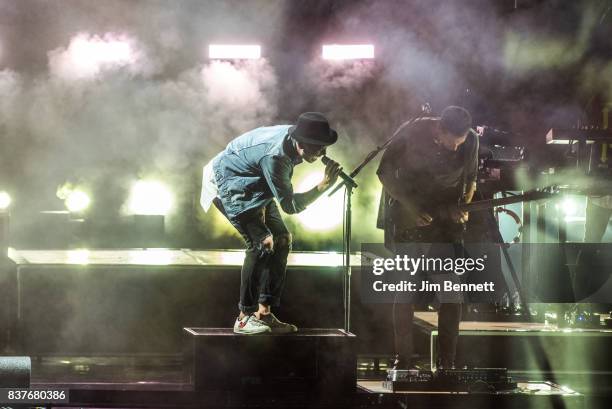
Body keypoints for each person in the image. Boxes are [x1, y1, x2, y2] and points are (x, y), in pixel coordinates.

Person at [201, 112, 342, 334]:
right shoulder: (276, 157)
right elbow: (290, 206)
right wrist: (322, 187)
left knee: (283, 239)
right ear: (301, 142)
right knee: (262, 243)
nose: (323, 152)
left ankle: (263, 314)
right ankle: (244, 317)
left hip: (254, 182)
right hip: (228, 181)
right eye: (318, 146)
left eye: (325, 146)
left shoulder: (292, 141)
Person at [376, 106, 479, 368]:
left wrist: (464, 208)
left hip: (445, 224)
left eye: (461, 142)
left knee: (450, 292)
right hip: (409, 215)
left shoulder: (471, 141)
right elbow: (384, 172)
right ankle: (403, 359)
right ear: (439, 129)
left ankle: (447, 362)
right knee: (405, 290)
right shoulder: (411, 131)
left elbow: (471, 180)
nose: (456, 149)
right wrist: (411, 207)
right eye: (451, 142)